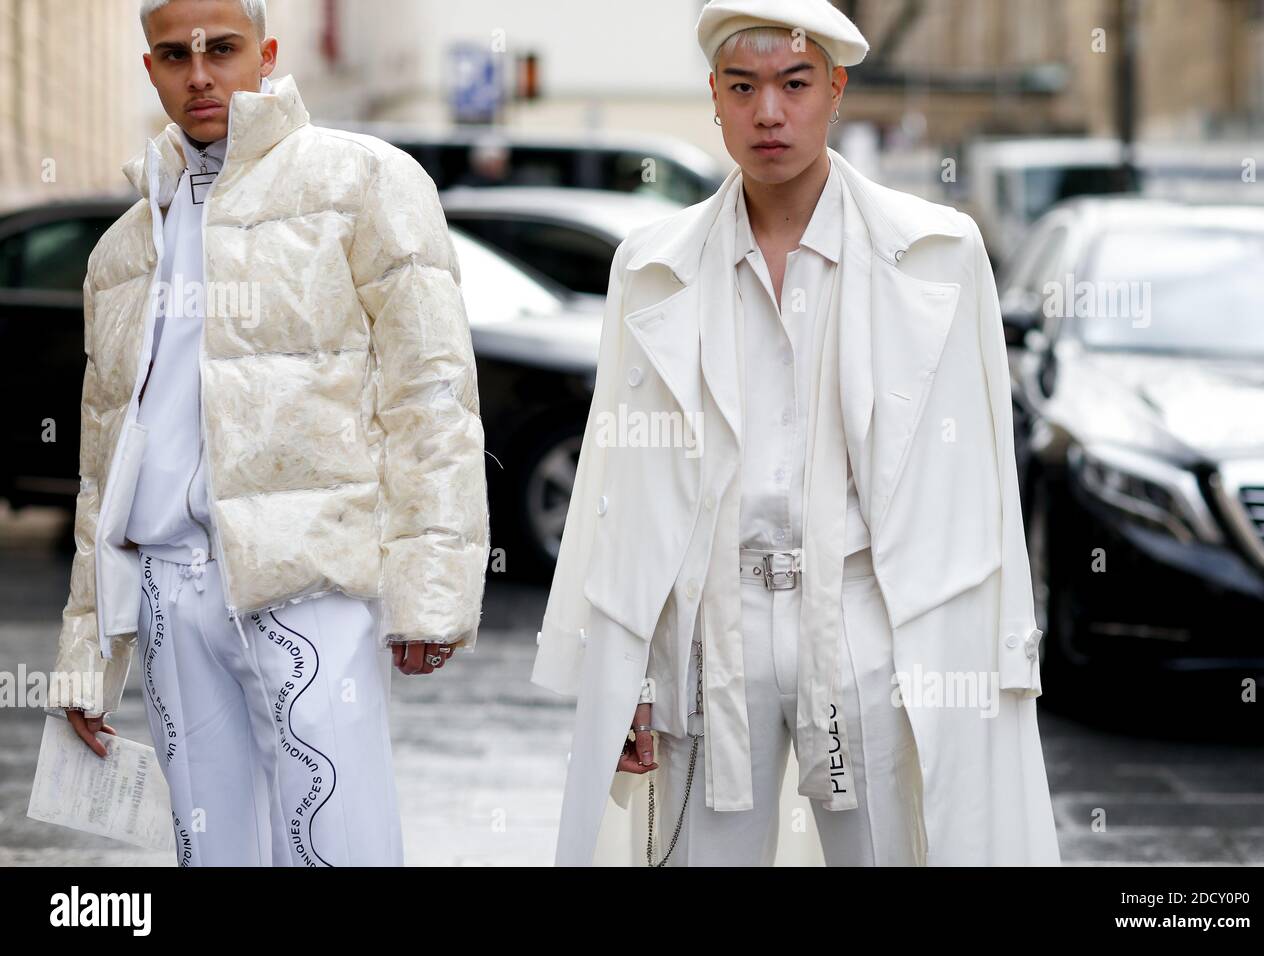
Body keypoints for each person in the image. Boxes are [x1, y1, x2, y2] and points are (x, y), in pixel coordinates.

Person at [532, 0, 1060, 866]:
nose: (768, 112)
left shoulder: (938, 252)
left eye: (794, 84)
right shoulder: (652, 264)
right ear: (714, 96)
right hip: (711, 626)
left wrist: (1003, 657)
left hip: (867, 617)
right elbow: (611, 480)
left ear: (836, 90)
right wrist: (617, 666)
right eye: (743, 87)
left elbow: (987, 481)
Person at [46, 0, 488, 866]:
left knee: (340, 844)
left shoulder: (363, 181)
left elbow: (430, 395)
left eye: (222, 48)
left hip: (309, 580)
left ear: (267, 53)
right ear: (151, 69)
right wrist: (83, 654)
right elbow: (103, 466)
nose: (200, 72)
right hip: (170, 589)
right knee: (209, 851)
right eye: (175, 54)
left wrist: (429, 590)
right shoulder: (125, 248)